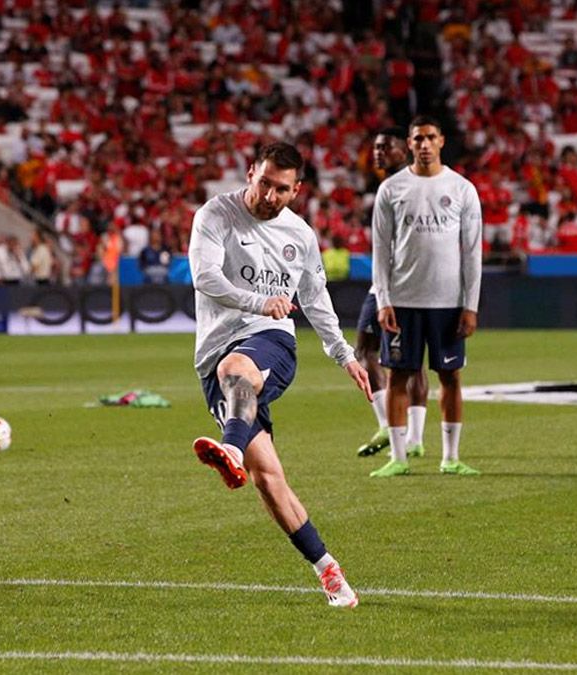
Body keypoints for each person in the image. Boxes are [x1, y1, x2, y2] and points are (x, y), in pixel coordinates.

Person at [188, 142, 371, 608]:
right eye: (264, 182)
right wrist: (256, 300)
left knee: (239, 367)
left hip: (272, 340)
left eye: (282, 189)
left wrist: (344, 355)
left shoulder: (301, 235)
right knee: (269, 480)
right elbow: (204, 277)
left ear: (297, 190)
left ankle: (228, 447)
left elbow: (315, 298)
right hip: (215, 353)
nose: (270, 195)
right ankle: (330, 572)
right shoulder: (216, 215)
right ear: (251, 172)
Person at [369, 116, 483, 478]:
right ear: (410, 142)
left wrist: (471, 305)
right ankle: (398, 458)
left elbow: (473, 252)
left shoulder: (462, 188)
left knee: (450, 377)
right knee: (399, 377)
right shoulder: (391, 189)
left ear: (442, 141)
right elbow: (380, 251)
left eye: (430, 137)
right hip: (403, 301)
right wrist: (383, 300)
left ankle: (451, 457)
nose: (424, 144)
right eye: (418, 138)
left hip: (448, 303)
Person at [354, 127, 430, 460]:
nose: (378, 152)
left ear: (404, 150)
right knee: (400, 359)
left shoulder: (406, 185)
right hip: (394, 282)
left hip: (400, 284)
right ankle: (409, 436)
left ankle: (397, 429)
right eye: (375, 147)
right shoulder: (393, 186)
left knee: (376, 353)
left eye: (386, 147)